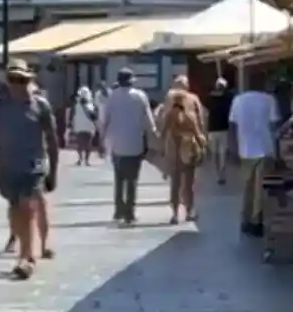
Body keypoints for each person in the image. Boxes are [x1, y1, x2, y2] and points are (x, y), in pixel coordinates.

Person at [0, 60, 61, 279]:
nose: (18, 84)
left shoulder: (40, 105)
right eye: (14, 80)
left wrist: (53, 170)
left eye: (22, 80)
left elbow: (53, 140)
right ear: (8, 82)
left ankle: (27, 258)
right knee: (15, 210)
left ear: (29, 80)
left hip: (33, 166)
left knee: (28, 207)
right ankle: (24, 250)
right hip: (8, 166)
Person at [98, 68, 154, 225]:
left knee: (119, 178)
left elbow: (104, 121)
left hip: (117, 145)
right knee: (132, 180)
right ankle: (130, 212)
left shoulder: (111, 97)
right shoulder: (140, 96)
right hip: (135, 143)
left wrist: (101, 141)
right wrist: (155, 136)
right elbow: (148, 120)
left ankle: (118, 210)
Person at [155, 74, 210, 225]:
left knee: (175, 182)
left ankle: (174, 213)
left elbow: (163, 131)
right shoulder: (192, 107)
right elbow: (200, 126)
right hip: (189, 147)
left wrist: (162, 150)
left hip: (173, 147)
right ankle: (190, 210)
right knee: (189, 182)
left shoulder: (169, 111)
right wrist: (203, 146)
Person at [229, 77, 279, 235]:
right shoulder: (269, 100)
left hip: (245, 149)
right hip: (265, 148)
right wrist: (278, 152)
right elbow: (273, 125)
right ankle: (257, 220)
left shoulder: (238, 100)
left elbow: (232, 125)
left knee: (247, 187)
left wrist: (233, 148)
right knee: (261, 188)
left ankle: (245, 219)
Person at [204, 76, 235, 184]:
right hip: (224, 128)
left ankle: (218, 173)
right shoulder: (229, 98)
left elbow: (206, 113)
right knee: (222, 152)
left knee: (214, 153)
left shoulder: (209, 98)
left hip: (212, 129)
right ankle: (221, 173)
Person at [69, 85, 99, 165]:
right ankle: (87, 160)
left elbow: (72, 114)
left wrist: (71, 123)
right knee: (88, 143)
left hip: (79, 125)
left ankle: (80, 159)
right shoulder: (91, 104)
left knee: (79, 143)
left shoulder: (76, 104)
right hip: (89, 125)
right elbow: (95, 115)